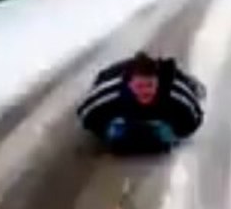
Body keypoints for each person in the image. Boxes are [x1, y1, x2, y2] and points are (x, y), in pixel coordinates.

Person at [77, 52, 206, 154]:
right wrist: (104, 131)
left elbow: (195, 118)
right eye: (140, 86)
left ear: (158, 83)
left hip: (174, 84)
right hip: (115, 75)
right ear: (130, 85)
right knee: (116, 131)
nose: (145, 92)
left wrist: (176, 132)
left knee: (194, 88)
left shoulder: (175, 91)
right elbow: (84, 113)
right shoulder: (111, 91)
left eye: (150, 85)